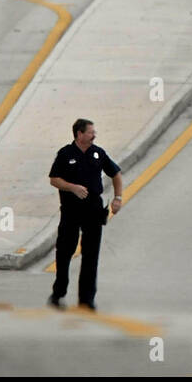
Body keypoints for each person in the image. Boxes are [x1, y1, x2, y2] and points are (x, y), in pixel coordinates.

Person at [47, 118, 123, 310]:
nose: (94, 135)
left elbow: (116, 174)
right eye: (90, 132)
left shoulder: (98, 153)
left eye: (93, 132)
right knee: (65, 252)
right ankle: (58, 293)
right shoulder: (65, 154)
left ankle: (87, 299)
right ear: (79, 134)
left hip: (93, 210)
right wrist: (72, 188)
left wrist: (118, 198)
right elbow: (54, 179)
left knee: (91, 255)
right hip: (71, 210)